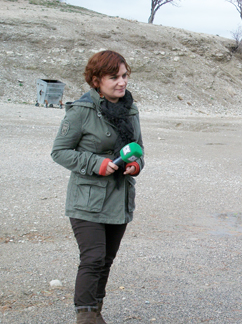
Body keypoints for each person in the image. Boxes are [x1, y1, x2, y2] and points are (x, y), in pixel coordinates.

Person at [51, 50, 145, 324]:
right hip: (87, 200)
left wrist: (135, 165)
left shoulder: (130, 109)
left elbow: (139, 150)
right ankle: (86, 318)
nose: (122, 82)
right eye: (114, 76)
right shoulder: (81, 111)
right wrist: (97, 163)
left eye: (124, 75)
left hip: (120, 198)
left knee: (105, 260)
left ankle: (96, 313)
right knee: (92, 258)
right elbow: (59, 152)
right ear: (96, 80)